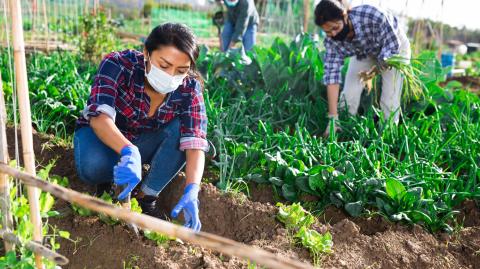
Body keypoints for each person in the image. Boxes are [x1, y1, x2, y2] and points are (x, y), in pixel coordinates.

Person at [74, 23, 208, 232]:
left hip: (143, 142)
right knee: (93, 165)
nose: (171, 76)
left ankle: (146, 198)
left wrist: (193, 189)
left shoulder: (189, 89)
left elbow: (195, 141)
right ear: (147, 53)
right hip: (103, 138)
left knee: (183, 131)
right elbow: (99, 117)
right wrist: (129, 151)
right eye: (164, 66)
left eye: (181, 70)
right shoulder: (118, 65)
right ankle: (108, 181)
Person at [314, 0, 411, 136]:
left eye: (335, 28)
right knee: (349, 93)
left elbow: (391, 50)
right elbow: (332, 78)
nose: (333, 35)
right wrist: (332, 116)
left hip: (394, 48)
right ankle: (340, 127)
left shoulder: (373, 16)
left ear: (345, 15)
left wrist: (372, 72)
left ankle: (388, 136)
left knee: (390, 97)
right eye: (328, 32)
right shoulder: (332, 42)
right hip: (365, 52)